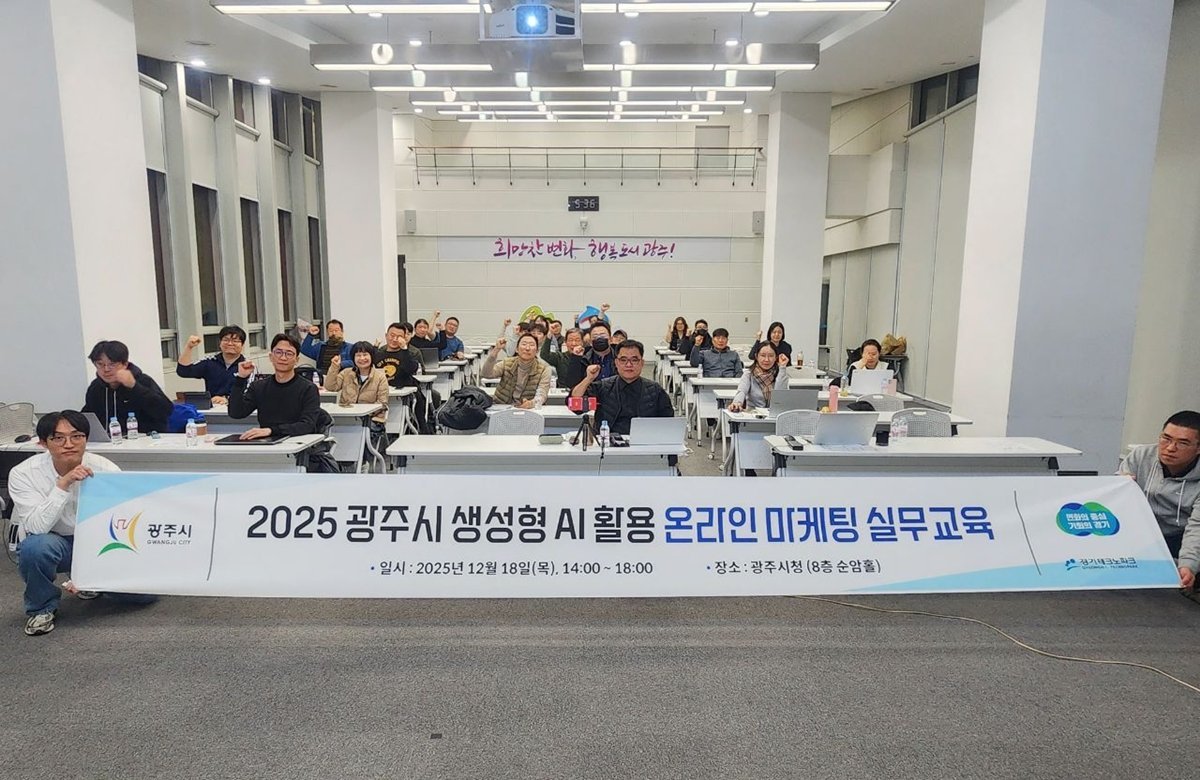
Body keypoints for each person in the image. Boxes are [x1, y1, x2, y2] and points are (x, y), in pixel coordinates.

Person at [9, 410, 157, 637]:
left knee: (145, 595)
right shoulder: (24, 474)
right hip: (54, 541)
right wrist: (63, 485)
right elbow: (37, 528)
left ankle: (90, 582)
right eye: (58, 438)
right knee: (35, 548)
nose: (69, 444)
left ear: (86, 438)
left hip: (97, 541)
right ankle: (42, 608)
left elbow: (123, 519)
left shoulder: (104, 468)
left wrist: (90, 568)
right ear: (43, 443)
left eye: (77, 436)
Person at [1118, 410, 1200, 589]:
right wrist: (1120, 485)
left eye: (1183, 443)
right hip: (1140, 532)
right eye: (1166, 438)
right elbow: (1113, 499)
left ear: (1198, 448)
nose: (1170, 448)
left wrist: (1188, 565)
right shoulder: (1141, 456)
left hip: (1178, 535)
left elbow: (1197, 527)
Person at [228, 333, 321, 440]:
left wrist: (271, 431)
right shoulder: (259, 387)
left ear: (297, 360)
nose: (283, 358)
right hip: (267, 444)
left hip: (298, 442)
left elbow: (307, 425)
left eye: (289, 354)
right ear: (271, 357)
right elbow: (236, 413)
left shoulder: (308, 388)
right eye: (278, 352)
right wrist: (241, 379)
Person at [571, 340, 673, 436]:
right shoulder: (603, 387)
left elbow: (668, 424)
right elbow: (576, 407)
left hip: (644, 443)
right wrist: (588, 379)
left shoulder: (655, 390)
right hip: (607, 443)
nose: (628, 365)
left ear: (642, 363)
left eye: (634, 360)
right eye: (623, 360)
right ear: (616, 363)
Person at [82, 340, 173, 435]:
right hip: (110, 441)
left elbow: (165, 411)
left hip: (147, 439)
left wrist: (135, 387)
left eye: (112, 364)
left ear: (125, 364)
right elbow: (87, 416)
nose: (106, 369)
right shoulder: (96, 387)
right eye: (100, 364)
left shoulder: (143, 381)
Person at [325, 341, 388, 428]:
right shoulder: (346, 373)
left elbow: (382, 403)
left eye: (365, 355)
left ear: (371, 356)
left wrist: (363, 413)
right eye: (358, 355)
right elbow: (330, 387)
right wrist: (334, 367)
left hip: (369, 419)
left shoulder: (380, 377)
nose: (362, 358)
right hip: (346, 417)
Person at [175, 325, 247, 402]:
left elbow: (250, 393)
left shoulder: (247, 366)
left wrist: (227, 399)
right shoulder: (210, 361)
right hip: (213, 406)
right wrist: (189, 347)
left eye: (235, 341)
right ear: (220, 343)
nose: (230, 343)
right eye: (226, 340)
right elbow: (183, 371)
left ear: (242, 345)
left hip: (238, 406)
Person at [481, 333, 550, 409]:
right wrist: (496, 350)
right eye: (524, 344)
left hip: (528, 410)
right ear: (517, 349)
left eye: (531, 345)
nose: (527, 348)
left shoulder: (544, 369)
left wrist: (531, 403)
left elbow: (542, 393)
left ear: (537, 351)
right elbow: (486, 374)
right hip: (502, 406)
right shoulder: (507, 363)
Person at [728, 342, 790, 412]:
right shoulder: (748, 374)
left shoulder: (781, 374)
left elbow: (781, 395)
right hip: (754, 414)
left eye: (771, 356)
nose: (766, 360)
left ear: (776, 357)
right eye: (763, 355)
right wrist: (737, 403)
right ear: (756, 356)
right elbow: (741, 391)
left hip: (775, 413)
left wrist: (782, 367)